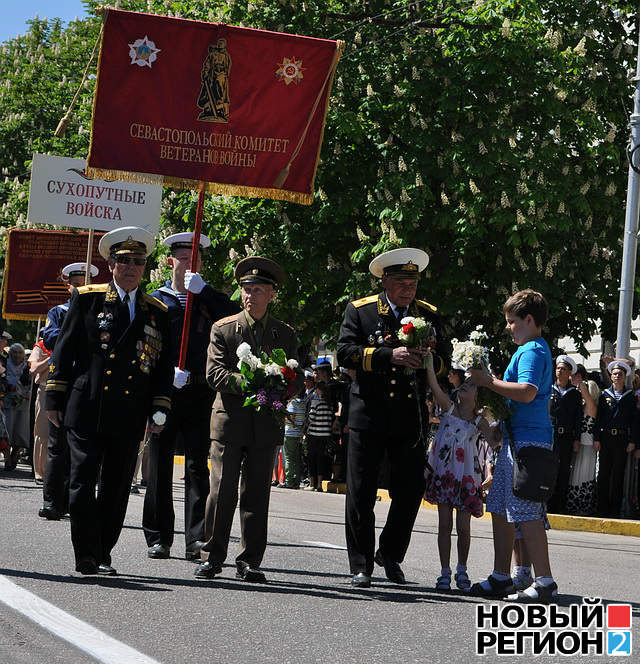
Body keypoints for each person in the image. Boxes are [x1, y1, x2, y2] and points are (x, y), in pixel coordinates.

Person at [45, 227, 172, 576]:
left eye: (138, 262)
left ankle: (102, 550)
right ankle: (86, 552)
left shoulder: (156, 312)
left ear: (145, 267)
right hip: (88, 405)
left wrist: (160, 406)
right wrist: (54, 396)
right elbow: (64, 350)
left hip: (129, 412)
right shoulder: (88, 299)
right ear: (111, 265)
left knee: (116, 489)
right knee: (82, 483)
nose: (131, 267)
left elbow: (161, 366)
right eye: (123, 261)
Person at [337, 247, 449, 588]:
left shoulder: (427, 315)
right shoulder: (361, 310)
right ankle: (361, 565)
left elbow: (445, 361)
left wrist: (428, 361)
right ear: (384, 280)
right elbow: (345, 352)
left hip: (409, 415)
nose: (408, 289)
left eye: (412, 282)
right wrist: (389, 355)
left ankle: (390, 554)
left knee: (410, 491)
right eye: (401, 282)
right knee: (362, 493)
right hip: (368, 413)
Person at [195, 256, 301, 582]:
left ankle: (251, 560)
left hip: (265, 425)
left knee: (257, 495)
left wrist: (281, 386)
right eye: (246, 289)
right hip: (230, 422)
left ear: (272, 294)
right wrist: (254, 382)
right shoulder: (224, 329)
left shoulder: (285, 334)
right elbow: (214, 374)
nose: (249, 296)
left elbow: (293, 377)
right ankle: (212, 557)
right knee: (221, 493)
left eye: (257, 290)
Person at [143, 232, 239, 562]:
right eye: (183, 259)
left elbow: (235, 319)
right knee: (159, 464)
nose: (188, 264)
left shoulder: (208, 299)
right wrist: (163, 373)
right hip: (165, 391)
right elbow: (145, 345)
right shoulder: (156, 299)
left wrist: (205, 292)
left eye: (195, 260)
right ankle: (158, 536)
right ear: (171, 261)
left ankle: (196, 538)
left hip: (201, 391)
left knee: (199, 466)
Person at [469, 289, 558, 603]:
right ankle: (502, 576)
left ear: (529, 320)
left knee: (525, 508)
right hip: (518, 437)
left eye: (512, 321)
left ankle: (544, 581)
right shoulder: (531, 348)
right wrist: (497, 425)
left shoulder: (532, 349)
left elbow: (527, 391)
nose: (508, 327)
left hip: (529, 440)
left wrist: (487, 382)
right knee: (501, 509)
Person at [424, 356, 501, 592]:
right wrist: (429, 363)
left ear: (477, 395)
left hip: (466, 479)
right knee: (444, 524)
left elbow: (495, 443)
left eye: (470, 385)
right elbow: (435, 386)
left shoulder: (480, 420)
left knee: (463, 527)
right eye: (463, 384)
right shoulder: (448, 409)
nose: (464, 385)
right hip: (445, 475)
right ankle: (444, 572)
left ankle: (462, 569)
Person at [40, 262, 98, 520]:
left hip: (86, 383)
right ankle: (52, 500)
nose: (80, 287)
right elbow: (51, 338)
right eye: (76, 284)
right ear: (68, 285)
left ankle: (76, 501)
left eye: (84, 283)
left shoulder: (97, 311)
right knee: (57, 445)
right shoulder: (58, 311)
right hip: (63, 382)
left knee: (84, 447)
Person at [594, 360, 636, 518]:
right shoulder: (604, 395)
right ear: (610, 377)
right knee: (603, 474)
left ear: (625, 377)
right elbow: (599, 418)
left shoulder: (630, 397)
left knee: (618, 475)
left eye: (620, 374)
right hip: (605, 439)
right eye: (615, 374)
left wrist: (633, 441)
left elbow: (634, 420)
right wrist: (596, 438)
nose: (617, 376)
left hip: (621, 440)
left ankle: (615, 510)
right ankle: (602, 508)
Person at [547, 355, 583, 514]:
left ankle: (559, 505)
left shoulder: (574, 393)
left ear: (569, 373)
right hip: (550, 435)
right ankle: (545, 503)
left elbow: (578, 417)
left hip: (566, 437)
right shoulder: (549, 390)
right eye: (558, 368)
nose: (560, 371)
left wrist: (576, 439)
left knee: (563, 470)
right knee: (548, 468)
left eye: (563, 369)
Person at [566, 364, 599, 515]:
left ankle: (582, 506)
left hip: (588, 446)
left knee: (584, 476)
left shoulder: (591, 406)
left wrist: (581, 384)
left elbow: (586, 396)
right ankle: (573, 503)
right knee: (575, 475)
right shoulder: (582, 406)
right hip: (580, 444)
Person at [3, 343, 31, 470]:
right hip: (7, 401)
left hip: (23, 402)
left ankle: (15, 454)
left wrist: (27, 393)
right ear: (10, 354)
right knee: (7, 429)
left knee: (21, 430)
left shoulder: (27, 367)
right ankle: (7, 457)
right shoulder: (4, 364)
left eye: (20, 353)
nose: (17, 355)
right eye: (14, 352)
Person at [29, 335, 51, 482]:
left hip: (66, 390)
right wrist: (52, 357)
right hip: (45, 390)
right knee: (42, 432)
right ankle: (40, 472)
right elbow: (33, 369)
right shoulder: (41, 346)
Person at [305, 382, 333, 492]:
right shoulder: (329, 403)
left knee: (312, 458)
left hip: (314, 434)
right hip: (325, 434)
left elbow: (311, 417)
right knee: (321, 458)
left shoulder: (315, 402)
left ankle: (312, 483)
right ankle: (320, 484)